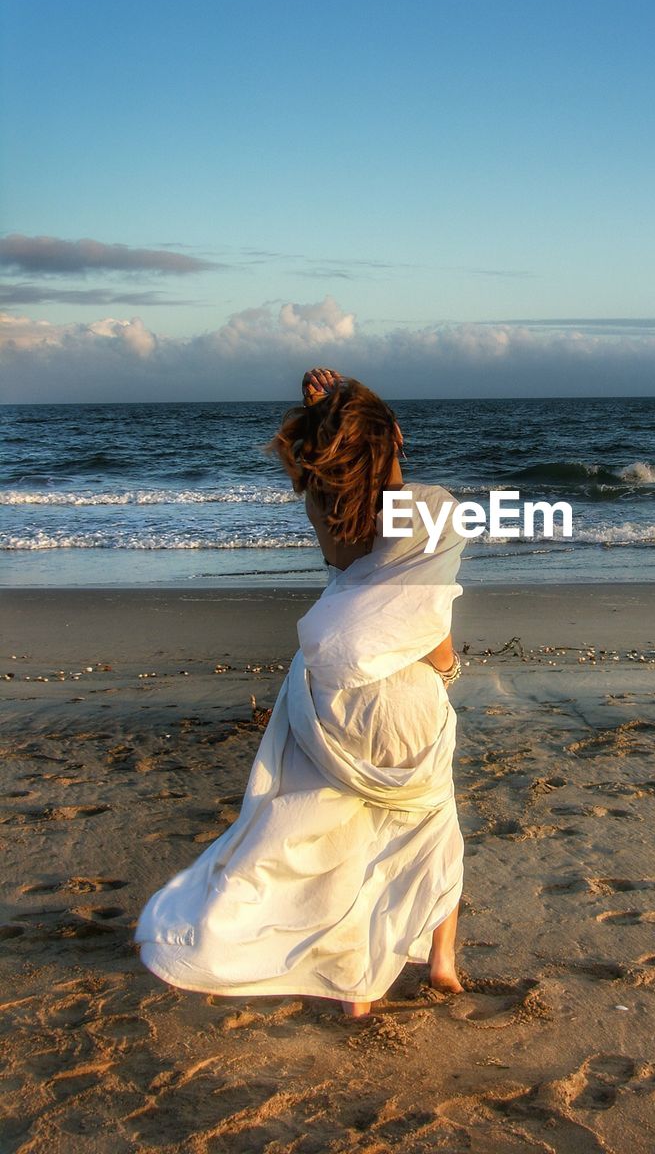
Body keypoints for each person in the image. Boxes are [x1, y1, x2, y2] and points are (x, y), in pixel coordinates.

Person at [135, 368, 466, 1018]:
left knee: (346, 832)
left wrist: (326, 413)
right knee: (433, 817)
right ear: (397, 437)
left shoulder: (328, 509)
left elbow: (342, 513)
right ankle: (444, 966)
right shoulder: (434, 510)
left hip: (334, 690)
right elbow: (429, 626)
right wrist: (449, 674)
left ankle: (354, 991)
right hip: (406, 695)